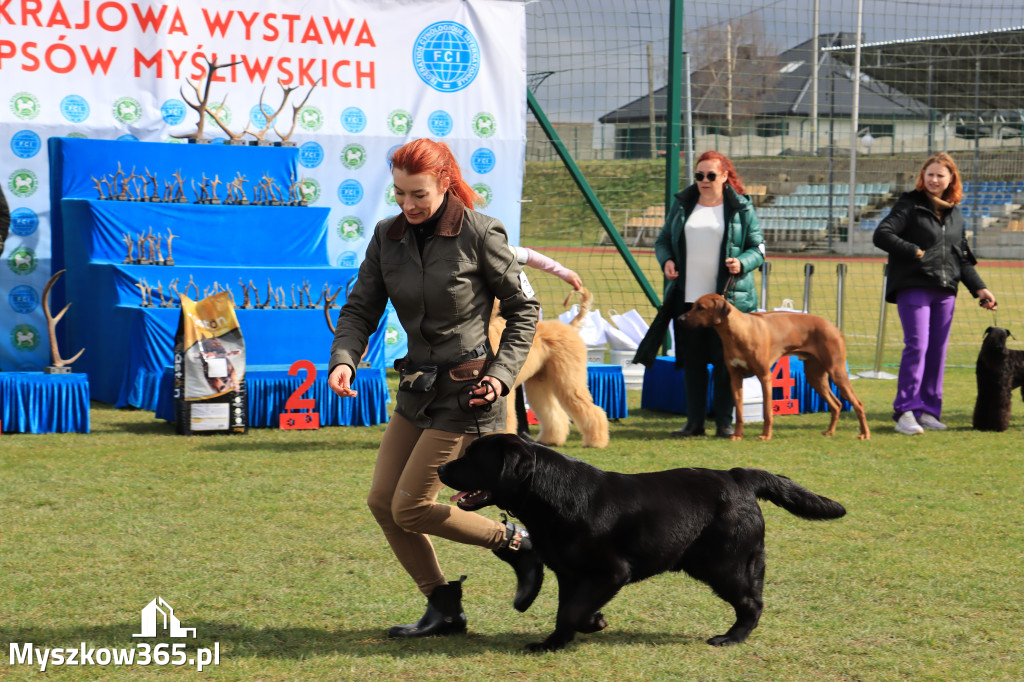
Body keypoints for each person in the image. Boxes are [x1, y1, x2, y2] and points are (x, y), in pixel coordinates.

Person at [327, 138, 542, 639]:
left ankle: (518, 543)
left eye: (418, 194)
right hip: (417, 388)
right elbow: (361, 308)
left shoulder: (482, 233)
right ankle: (443, 607)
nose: (407, 205)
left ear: (445, 183)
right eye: (399, 193)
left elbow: (525, 310)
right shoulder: (387, 237)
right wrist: (344, 359)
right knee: (383, 503)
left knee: (411, 506)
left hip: (470, 395)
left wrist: (501, 374)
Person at [634, 150, 765, 438]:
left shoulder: (742, 208)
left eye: (710, 175)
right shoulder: (683, 205)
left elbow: (758, 248)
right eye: (699, 175)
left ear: (725, 176)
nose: (704, 181)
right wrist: (666, 260)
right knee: (691, 363)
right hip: (688, 300)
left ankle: (724, 423)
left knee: (725, 363)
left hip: (726, 304)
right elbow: (663, 240)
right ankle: (694, 423)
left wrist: (742, 262)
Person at [873, 152, 997, 435]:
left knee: (937, 351)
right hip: (913, 286)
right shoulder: (909, 205)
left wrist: (980, 288)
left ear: (951, 178)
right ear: (923, 176)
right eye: (930, 174)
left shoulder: (956, 214)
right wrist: (914, 251)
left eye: (941, 175)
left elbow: (961, 257)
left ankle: (929, 410)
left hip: (945, 291)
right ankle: (906, 412)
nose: (934, 179)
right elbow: (882, 234)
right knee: (917, 346)